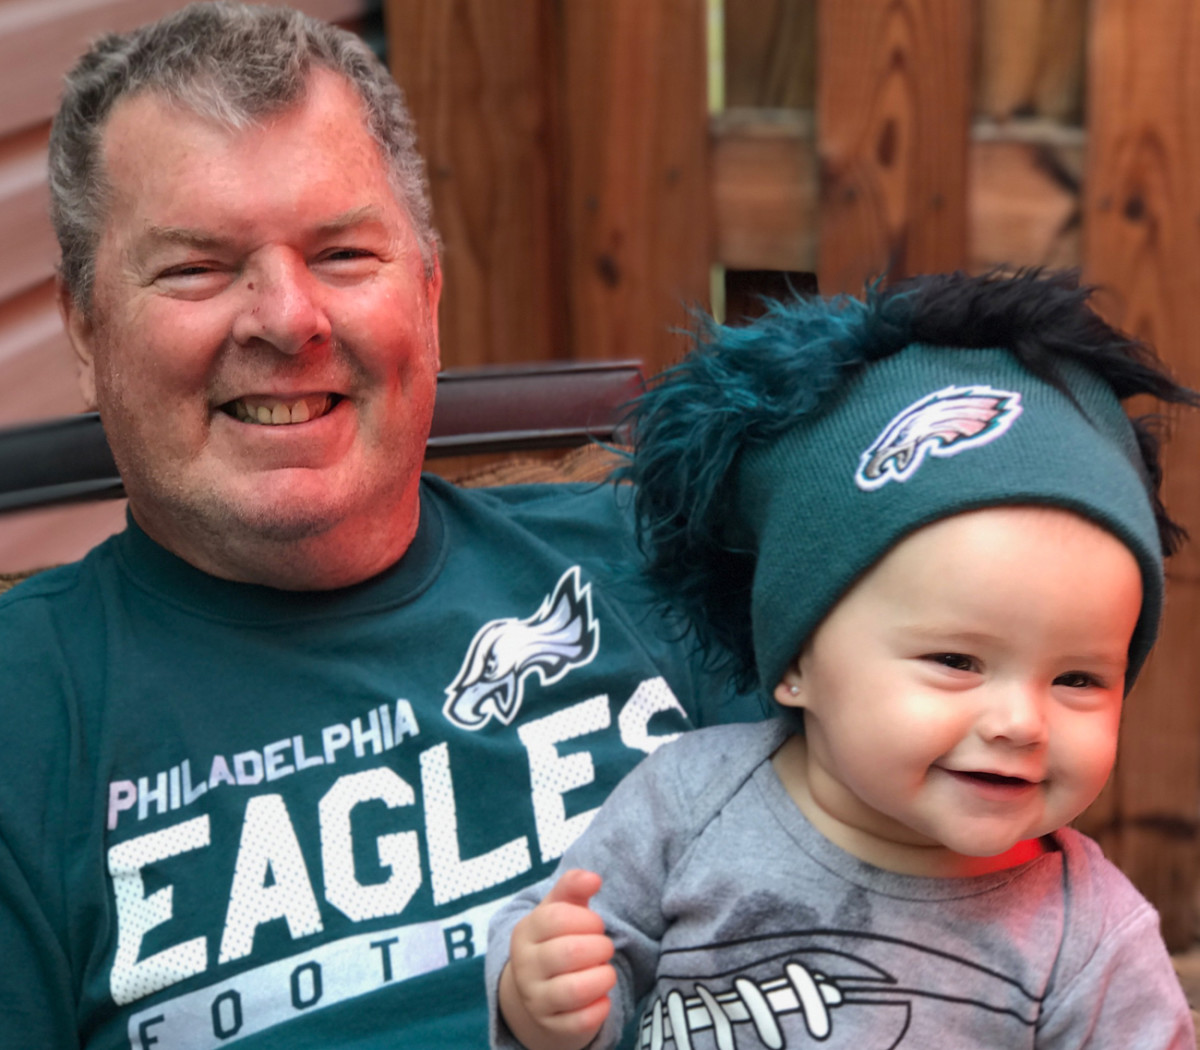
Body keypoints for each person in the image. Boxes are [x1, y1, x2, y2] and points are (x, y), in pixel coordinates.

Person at [0, 4, 757, 1048]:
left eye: (344, 254)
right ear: (86, 332)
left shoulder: (658, 567)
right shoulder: (26, 712)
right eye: (196, 269)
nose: (287, 318)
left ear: (429, 296)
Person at [488, 270, 1199, 1049]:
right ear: (797, 660)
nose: (1020, 722)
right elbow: (570, 932)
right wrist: (544, 998)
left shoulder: (1089, 937)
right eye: (957, 660)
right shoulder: (687, 801)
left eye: (1078, 679)